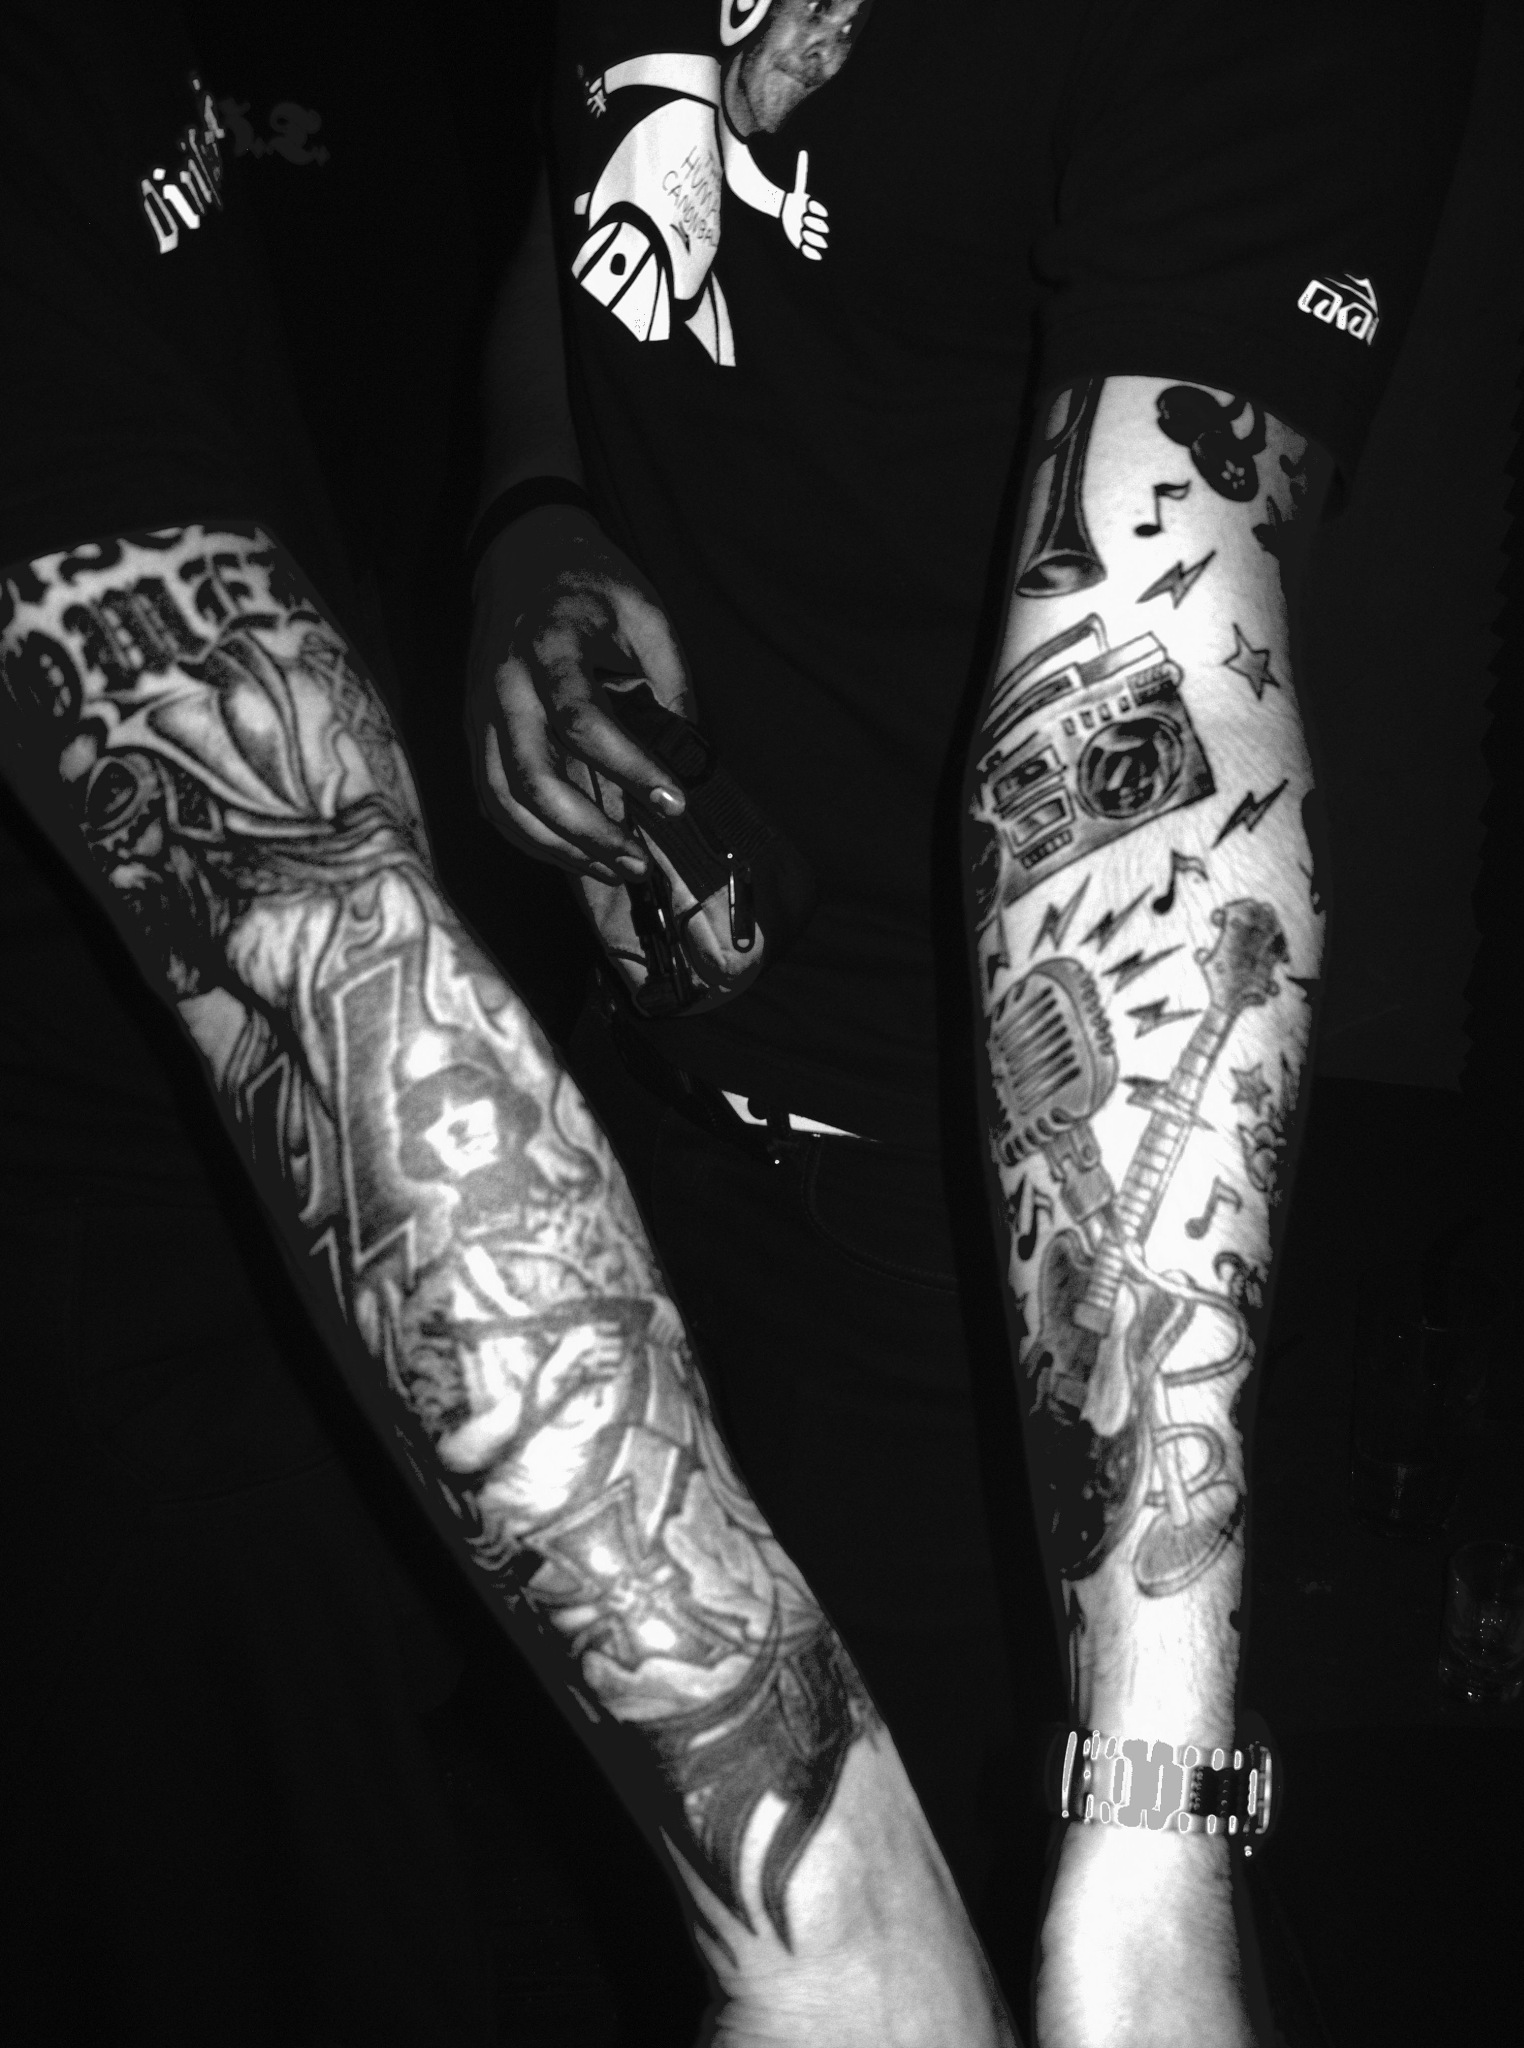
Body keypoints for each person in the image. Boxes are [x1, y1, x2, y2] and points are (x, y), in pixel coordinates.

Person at [0, 6, 1019, 2044]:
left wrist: (520, 518)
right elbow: (300, 931)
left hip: (314, 1235)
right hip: (114, 1271)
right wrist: (836, 1906)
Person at [465, 0, 1484, 2039]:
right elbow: (589, 186)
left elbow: (1141, 692)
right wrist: (528, 504)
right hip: (592, 1132)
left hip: (956, 1285)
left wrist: (1153, 1814)